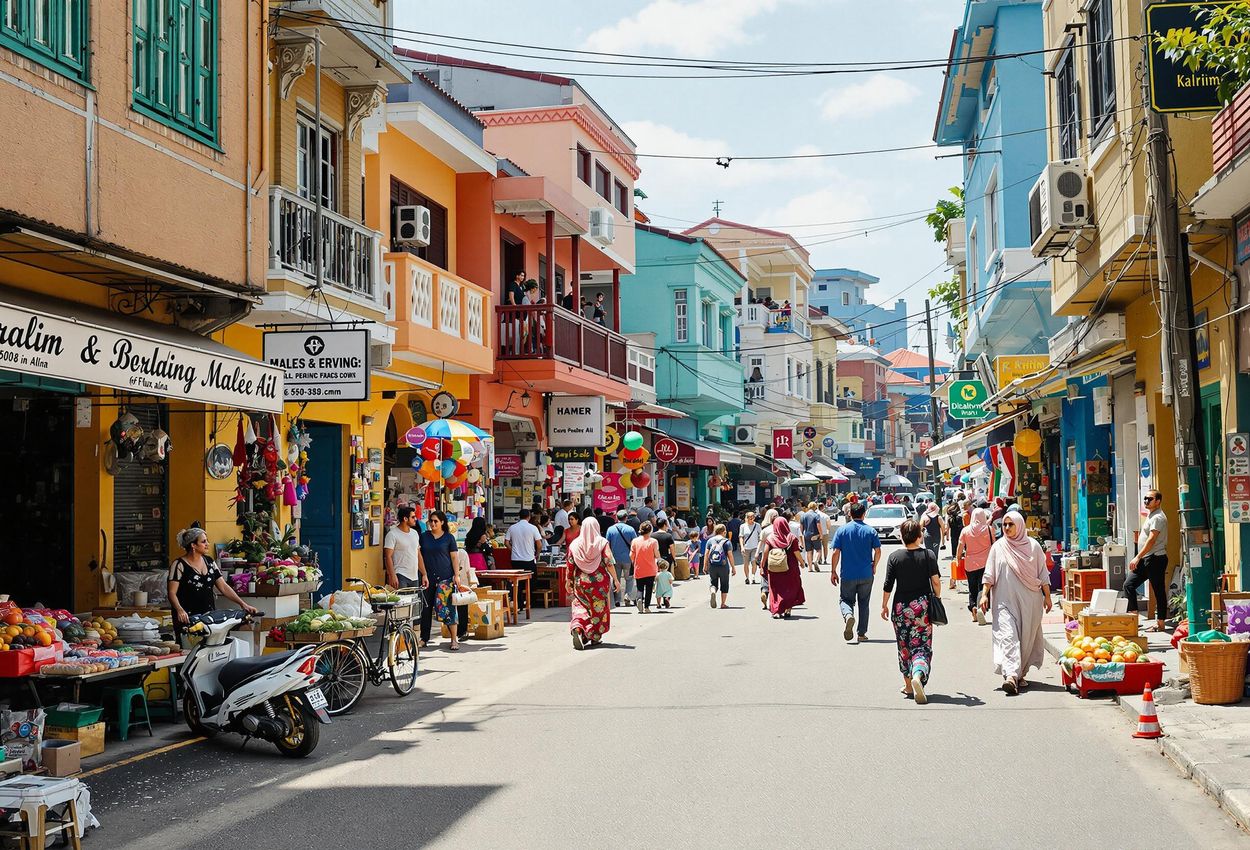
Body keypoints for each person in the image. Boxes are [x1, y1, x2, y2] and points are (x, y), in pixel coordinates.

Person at [979, 510, 1051, 695]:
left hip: (1030, 602)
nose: (1007, 528)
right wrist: (985, 594)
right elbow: (989, 573)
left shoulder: (1034, 546)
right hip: (1004, 602)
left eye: (1011, 524)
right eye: (1004, 524)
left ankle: (1019, 673)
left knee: (1025, 638)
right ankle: (1011, 675)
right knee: (1008, 636)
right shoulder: (998, 547)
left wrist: (1048, 597)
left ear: (1019, 525)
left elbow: (1043, 574)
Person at [881, 520, 941, 704]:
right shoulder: (928, 555)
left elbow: (888, 585)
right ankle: (918, 674)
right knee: (921, 645)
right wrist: (937, 597)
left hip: (900, 608)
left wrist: (884, 605)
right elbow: (936, 581)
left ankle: (908, 685)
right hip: (921, 608)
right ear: (919, 535)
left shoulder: (894, 557)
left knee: (904, 646)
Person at [168, 527, 258, 642]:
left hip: (209, 616)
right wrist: (180, 610)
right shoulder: (179, 565)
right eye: (203, 541)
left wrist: (243, 604)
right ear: (193, 545)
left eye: (207, 541)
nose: (207, 544)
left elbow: (224, 587)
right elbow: (172, 592)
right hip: (187, 617)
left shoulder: (209, 561)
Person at [829, 501, 881, 644]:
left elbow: (835, 552)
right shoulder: (871, 531)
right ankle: (862, 633)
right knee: (864, 603)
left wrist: (833, 571)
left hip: (848, 574)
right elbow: (878, 551)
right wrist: (874, 565)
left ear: (850, 514)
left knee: (845, 600)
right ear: (864, 515)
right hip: (866, 573)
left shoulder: (842, 530)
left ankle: (848, 615)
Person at [566, 517, 620, 650]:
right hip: (599, 584)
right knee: (598, 610)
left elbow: (570, 565)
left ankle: (578, 628)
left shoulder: (574, 544)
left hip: (581, 582)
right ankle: (594, 637)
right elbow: (609, 562)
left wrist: (569, 581)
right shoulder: (602, 543)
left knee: (581, 606)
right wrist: (616, 579)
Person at [1124, 490, 1169, 632]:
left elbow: (1152, 539)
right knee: (1129, 585)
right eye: (1145, 499)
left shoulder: (1158, 517)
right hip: (1146, 559)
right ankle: (1133, 619)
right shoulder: (1151, 515)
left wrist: (1137, 556)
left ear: (1158, 501)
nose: (1146, 501)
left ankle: (1160, 623)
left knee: (1158, 591)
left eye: (1149, 499)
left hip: (1155, 558)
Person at [418, 510, 463, 650]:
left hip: (446, 578)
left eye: (435, 521)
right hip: (428, 578)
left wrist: (457, 575)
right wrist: (423, 573)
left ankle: (454, 639)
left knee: (448, 608)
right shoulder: (424, 537)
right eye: (431, 521)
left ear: (442, 522)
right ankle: (424, 638)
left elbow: (454, 557)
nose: (432, 523)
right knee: (426, 609)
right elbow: (418, 555)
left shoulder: (449, 538)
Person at [757, 517, 805, 619]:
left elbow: (765, 553)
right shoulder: (791, 538)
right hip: (790, 568)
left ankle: (776, 611)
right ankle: (788, 609)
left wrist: (762, 566)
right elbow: (796, 552)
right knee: (791, 587)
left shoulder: (770, 538)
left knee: (776, 589)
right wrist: (802, 562)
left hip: (774, 568)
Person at [956, 507, 994, 625]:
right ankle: (979, 607)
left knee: (972, 588)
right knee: (983, 587)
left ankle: (973, 610)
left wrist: (957, 558)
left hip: (970, 564)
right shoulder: (989, 529)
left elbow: (960, 546)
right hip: (986, 563)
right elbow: (994, 545)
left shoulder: (965, 530)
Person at [384, 506, 424, 590]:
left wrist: (424, 574)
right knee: (402, 601)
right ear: (405, 519)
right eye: (413, 517)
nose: (415, 519)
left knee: (413, 602)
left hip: (414, 576)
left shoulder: (414, 533)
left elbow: (418, 554)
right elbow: (388, 556)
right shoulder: (392, 534)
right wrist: (392, 575)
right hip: (400, 575)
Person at [606, 510, 638, 607]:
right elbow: (635, 544)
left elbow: (607, 545)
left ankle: (617, 599)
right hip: (628, 559)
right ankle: (627, 596)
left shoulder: (610, 529)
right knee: (629, 579)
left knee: (616, 579)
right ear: (626, 518)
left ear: (616, 518)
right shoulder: (631, 529)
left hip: (615, 559)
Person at [703, 523, 736, 609]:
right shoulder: (727, 541)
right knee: (724, 584)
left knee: (713, 582)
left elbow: (706, 554)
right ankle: (723, 603)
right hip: (723, 566)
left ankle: (713, 591)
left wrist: (705, 565)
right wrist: (733, 567)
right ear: (724, 532)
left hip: (713, 565)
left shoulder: (710, 541)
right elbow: (730, 555)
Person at [630, 521, 661, 613]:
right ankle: (646, 607)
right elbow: (657, 554)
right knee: (649, 588)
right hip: (650, 568)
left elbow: (631, 555)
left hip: (639, 568)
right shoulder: (653, 542)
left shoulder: (635, 541)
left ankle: (639, 599)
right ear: (650, 530)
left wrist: (635, 562)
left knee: (639, 587)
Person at [452, 550, 478, 643]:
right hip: (457, 582)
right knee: (460, 607)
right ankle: (461, 632)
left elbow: (467, 570)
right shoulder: (462, 553)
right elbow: (467, 570)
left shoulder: (462, 553)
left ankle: (460, 632)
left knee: (458, 607)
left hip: (459, 583)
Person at [945, 498, 965, 590]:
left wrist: (947, 537)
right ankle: (963, 576)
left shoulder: (950, 519)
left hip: (954, 541)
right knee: (962, 559)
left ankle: (952, 581)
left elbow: (947, 529)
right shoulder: (961, 518)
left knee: (954, 560)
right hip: (961, 541)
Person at [739, 511, 762, 585]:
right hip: (746, 548)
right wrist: (742, 547)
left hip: (755, 547)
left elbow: (760, 536)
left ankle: (753, 576)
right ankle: (747, 578)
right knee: (746, 564)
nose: (751, 519)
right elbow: (741, 537)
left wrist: (760, 546)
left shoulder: (757, 525)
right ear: (746, 518)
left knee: (754, 562)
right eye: (750, 518)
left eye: (753, 518)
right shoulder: (743, 526)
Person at [800, 502, 822, 572]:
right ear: (815, 507)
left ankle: (810, 568)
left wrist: (802, 534)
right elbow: (818, 525)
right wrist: (821, 534)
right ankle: (815, 560)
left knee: (809, 551)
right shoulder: (816, 515)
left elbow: (801, 527)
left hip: (807, 535)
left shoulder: (803, 516)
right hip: (815, 535)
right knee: (818, 550)